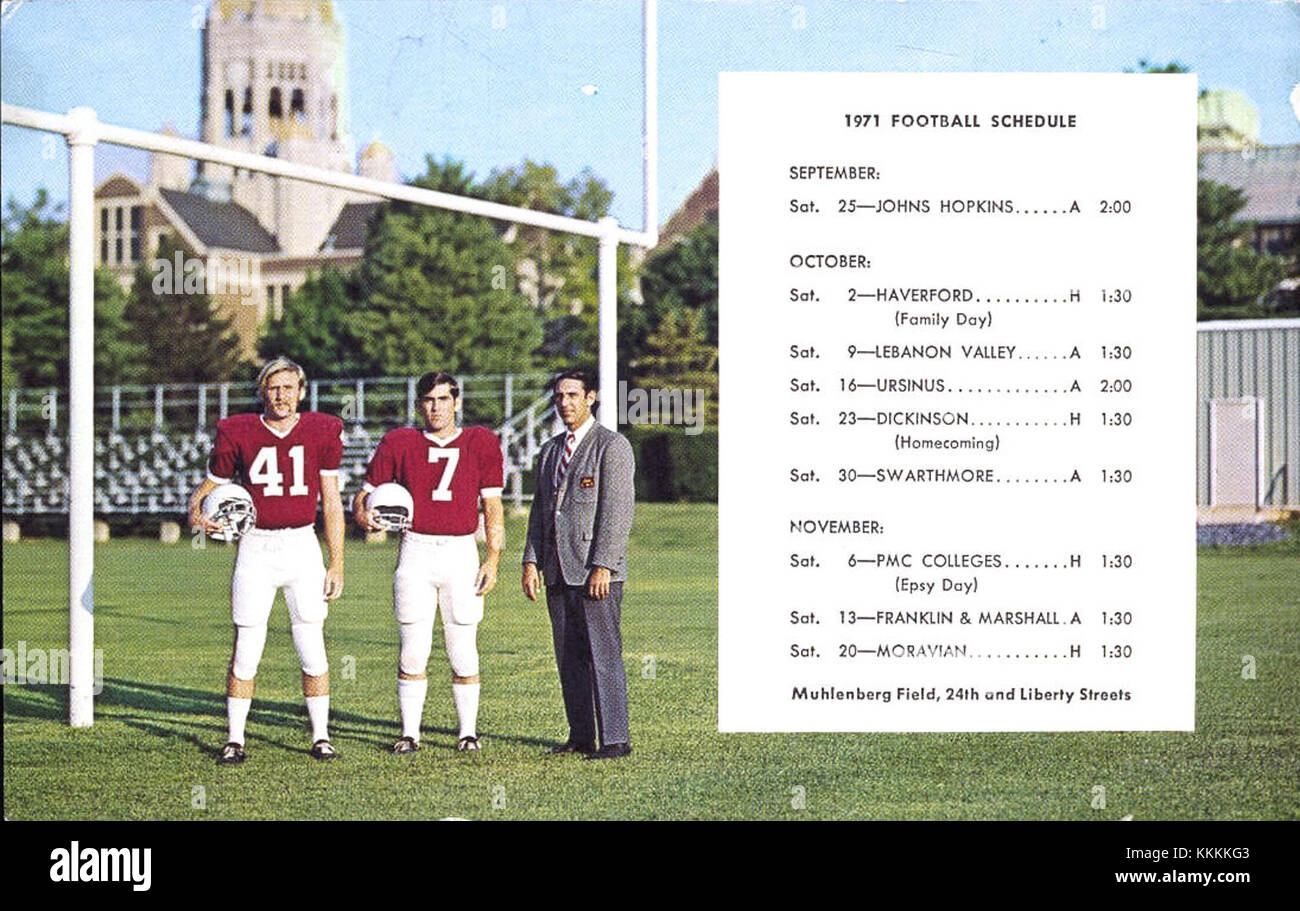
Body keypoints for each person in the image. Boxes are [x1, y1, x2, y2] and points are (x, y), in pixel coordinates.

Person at [188, 356, 345, 764]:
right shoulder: (238, 431)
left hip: (301, 545)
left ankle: (321, 736)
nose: (281, 396)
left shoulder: (321, 430)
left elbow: (330, 502)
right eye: (274, 388)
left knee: (311, 643)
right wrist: (196, 510)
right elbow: (211, 487)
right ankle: (235, 739)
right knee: (247, 645)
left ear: (301, 391)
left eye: (288, 388)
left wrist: (337, 561)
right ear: (263, 391)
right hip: (255, 545)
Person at [353, 371, 505, 753]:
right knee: (412, 648)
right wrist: (362, 515)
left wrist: (493, 558)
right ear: (419, 404)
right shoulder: (400, 442)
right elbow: (363, 495)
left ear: (456, 401)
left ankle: (467, 732)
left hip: (460, 551)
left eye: (442, 399)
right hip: (415, 548)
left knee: (463, 648)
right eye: (428, 401)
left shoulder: (480, 441)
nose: (435, 408)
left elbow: (492, 507)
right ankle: (410, 733)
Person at [522, 368, 635, 760]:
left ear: (591, 398)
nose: (565, 403)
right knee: (568, 655)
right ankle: (581, 735)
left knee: (603, 654)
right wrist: (532, 560)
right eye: (559, 396)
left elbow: (617, 512)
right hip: (557, 569)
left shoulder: (612, 446)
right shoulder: (551, 449)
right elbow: (541, 510)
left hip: (594, 572)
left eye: (573, 395)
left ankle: (616, 738)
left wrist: (603, 564)